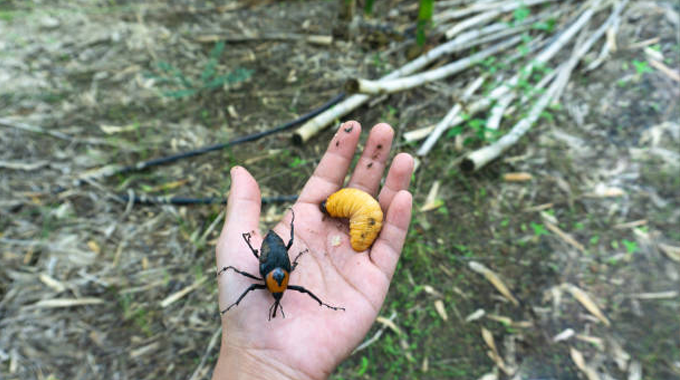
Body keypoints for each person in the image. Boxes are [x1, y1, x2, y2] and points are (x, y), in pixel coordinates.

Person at [213, 121, 414, 380]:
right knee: (272, 273)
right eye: (278, 294)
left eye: (278, 294)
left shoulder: (274, 280)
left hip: (274, 254)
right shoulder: (278, 281)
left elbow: (266, 273)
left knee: (265, 273)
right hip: (276, 253)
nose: (278, 297)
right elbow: (272, 273)